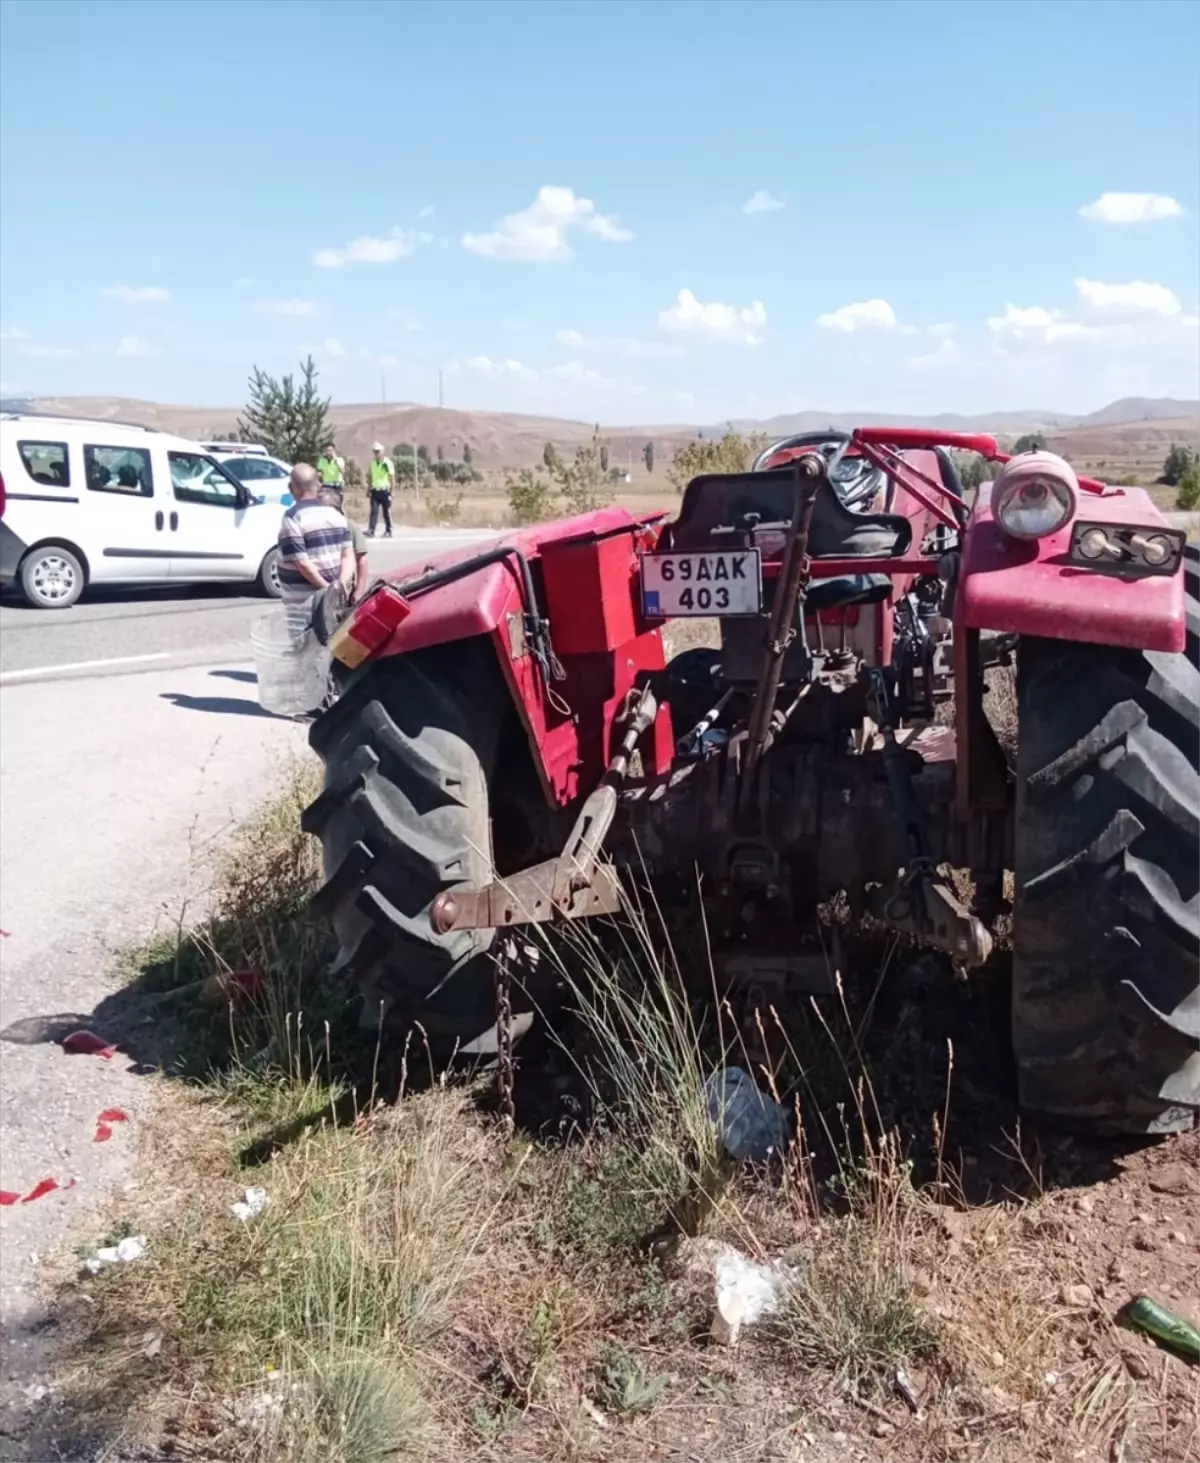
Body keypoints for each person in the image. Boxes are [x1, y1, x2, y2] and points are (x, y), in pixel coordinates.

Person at [276, 462, 353, 617]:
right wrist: (340, 587)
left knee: (307, 642)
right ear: (318, 485)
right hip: (332, 605)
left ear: (292, 488)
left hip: (304, 606)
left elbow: (302, 562)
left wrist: (327, 590)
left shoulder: (292, 518)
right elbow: (348, 556)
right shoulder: (337, 516)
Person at [320, 483, 369, 601]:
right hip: (319, 590)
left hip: (343, 592)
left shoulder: (349, 526)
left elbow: (361, 560)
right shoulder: (312, 528)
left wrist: (359, 590)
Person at [367, 442, 395, 538]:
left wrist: (391, 493)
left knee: (386, 512)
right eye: (374, 451)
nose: (376, 453)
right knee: (374, 511)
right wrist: (368, 489)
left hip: (384, 490)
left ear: (382, 452)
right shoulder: (373, 462)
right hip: (375, 490)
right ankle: (371, 530)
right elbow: (371, 477)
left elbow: (392, 478)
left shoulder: (387, 463)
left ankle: (388, 530)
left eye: (377, 451)